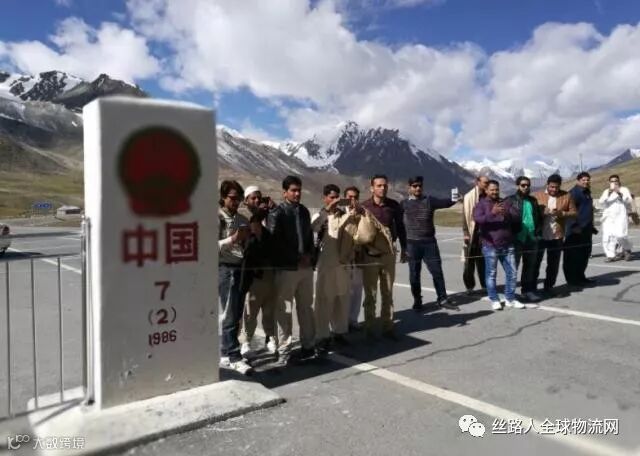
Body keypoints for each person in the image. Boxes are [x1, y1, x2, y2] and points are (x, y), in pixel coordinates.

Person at [267, 175, 316, 364]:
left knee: (306, 308)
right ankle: (284, 350)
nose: (297, 194)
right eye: (293, 190)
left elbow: (309, 237)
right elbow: (274, 243)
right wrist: (296, 257)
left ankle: (308, 346)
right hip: (287, 269)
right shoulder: (277, 213)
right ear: (284, 192)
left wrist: (309, 256)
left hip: (305, 268)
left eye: (299, 190)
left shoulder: (304, 211)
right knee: (284, 310)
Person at [312, 184, 362, 352]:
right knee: (324, 300)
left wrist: (354, 213)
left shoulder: (344, 215)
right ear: (325, 198)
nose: (334, 201)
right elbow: (313, 227)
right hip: (326, 264)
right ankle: (322, 335)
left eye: (337, 198)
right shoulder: (320, 215)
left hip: (343, 263)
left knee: (342, 299)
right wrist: (327, 211)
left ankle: (339, 332)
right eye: (331, 197)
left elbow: (354, 234)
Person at [402, 176, 459, 311]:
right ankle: (417, 300)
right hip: (412, 244)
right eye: (415, 186)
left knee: (437, 272)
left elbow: (445, 203)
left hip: (429, 244)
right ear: (409, 187)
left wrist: (455, 198)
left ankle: (442, 299)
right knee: (414, 275)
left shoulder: (429, 201)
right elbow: (396, 221)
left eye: (420, 185)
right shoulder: (403, 204)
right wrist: (403, 247)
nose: (418, 188)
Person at [361, 174, 407, 340]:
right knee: (370, 294)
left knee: (387, 292)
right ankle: (369, 329)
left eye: (385, 185)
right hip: (369, 256)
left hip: (388, 254)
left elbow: (400, 227)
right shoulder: (364, 207)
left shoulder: (393, 206)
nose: (383, 188)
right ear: (372, 188)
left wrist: (405, 248)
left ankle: (388, 327)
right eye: (379, 185)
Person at [218, 180, 253, 375]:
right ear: (223, 197)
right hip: (226, 268)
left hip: (241, 268)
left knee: (237, 312)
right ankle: (234, 355)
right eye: (232, 198)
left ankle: (225, 351)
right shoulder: (218, 218)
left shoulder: (242, 219)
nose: (236, 202)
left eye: (239, 198)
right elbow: (208, 244)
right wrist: (232, 238)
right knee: (230, 313)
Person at [238, 185, 278, 356]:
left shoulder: (270, 217)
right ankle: (246, 341)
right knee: (250, 311)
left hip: (270, 272)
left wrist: (273, 211)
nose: (257, 201)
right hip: (254, 275)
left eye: (259, 198)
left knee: (269, 309)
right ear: (246, 201)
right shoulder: (246, 221)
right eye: (253, 198)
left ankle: (270, 337)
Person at [473, 180, 524, 310]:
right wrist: (492, 213)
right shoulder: (481, 204)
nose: (495, 192)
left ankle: (510, 298)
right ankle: (494, 299)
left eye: (496, 189)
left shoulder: (504, 202)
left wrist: (509, 213)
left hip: (507, 244)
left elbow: (517, 216)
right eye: (492, 190)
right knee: (491, 274)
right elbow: (478, 219)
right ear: (486, 190)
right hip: (490, 245)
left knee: (512, 272)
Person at [533, 174, 577, 296]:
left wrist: (561, 213)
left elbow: (574, 213)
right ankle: (531, 288)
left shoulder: (566, 196)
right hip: (540, 235)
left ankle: (549, 287)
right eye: (552, 187)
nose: (554, 189)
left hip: (557, 236)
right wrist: (542, 212)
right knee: (535, 262)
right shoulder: (537, 195)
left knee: (553, 264)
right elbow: (531, 212)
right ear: (547, 185)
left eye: (557, 187)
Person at [507, 176, 543, 303]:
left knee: (530, 267)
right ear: (518, 185)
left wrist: (538, 234)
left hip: (532, 239)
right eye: (523, 185)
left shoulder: (533, 200)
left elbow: (538, 218)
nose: (526, 187)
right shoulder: (510, 200)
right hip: (516, 239)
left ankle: (527, 291)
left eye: (528, 185)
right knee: (513, 268)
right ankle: (510, 294)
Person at [563, 172, 598, 287]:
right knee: (573, 256)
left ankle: (581, 277)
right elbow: (570, 211)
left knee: (584, 254)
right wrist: (574, 226)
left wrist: (591, 226)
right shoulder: (574, 193)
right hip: (575, 231)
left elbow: (586, 211)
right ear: (578, 181)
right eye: (583, 180)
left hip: (586, 230)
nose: (586, 182)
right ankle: (572, 280)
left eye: (588, 180)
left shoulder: (586, 192)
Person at [462, 176, 489, 294]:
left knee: (483, 261)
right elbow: (464, 215)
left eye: (488, 182)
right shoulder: (469, 196)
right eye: (485, 182)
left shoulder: (487, 196)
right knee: (469, 262)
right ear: (477, 182)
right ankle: (469, 287)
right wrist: (466, 232)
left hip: (485, 234)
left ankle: (485, 285)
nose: (487, 184)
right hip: (472, 233)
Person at [598, 175, 633, 262]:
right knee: (608, 237)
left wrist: (619, 193)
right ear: (609, 182)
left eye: (616, 180)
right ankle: (610, 255)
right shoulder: (606, 191)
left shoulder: (624, 189)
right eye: (612, 181)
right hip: (608, 218)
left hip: (620, 216)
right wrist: (609, 193)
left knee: (621, 235)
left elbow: (629, 201)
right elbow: (601, 202)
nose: (614, 182)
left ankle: (627, 249)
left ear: (619, 181)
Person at [344, 186, 364, 332]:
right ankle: (342, 321)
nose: (352, 200)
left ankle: (353, 319)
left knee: (357, 289)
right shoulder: (339, 212)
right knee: (345, 291)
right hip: (344, 257)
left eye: (355, 197)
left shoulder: (362, 213)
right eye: (350, 197)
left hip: (359, 256)